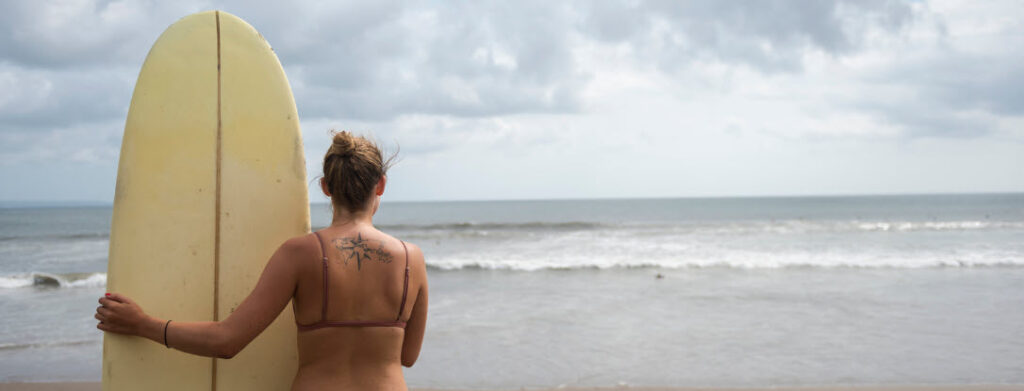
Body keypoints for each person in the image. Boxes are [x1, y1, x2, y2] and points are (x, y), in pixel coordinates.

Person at [95, 131, 428, 390]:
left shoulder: (300, 254)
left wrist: (142, 324)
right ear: (380, 185)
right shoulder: (412, 259)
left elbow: (227, 341)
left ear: (326, 187)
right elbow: (408, 357)